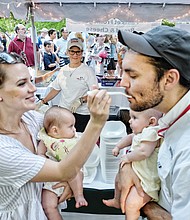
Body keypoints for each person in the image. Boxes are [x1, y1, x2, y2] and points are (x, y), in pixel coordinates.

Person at [0, 51, 111, 220]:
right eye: (22, 84)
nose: (33, 88)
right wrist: (96, 122)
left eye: (30, 80)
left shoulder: (31, 119)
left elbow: (66, 140)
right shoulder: (3, 149)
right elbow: (63, 170)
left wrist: (67, 181)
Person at [117, 25, 190, 219]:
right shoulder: (168, 119)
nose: (122, 83)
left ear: (169, 79)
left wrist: (145, 204)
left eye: (133, 75)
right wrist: (127, 168)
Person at [103, 108, 162, 220]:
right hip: (136, 171)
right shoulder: (141, 132)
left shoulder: (152, 133)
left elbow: (144, 152)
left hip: (145, 181)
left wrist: (128, 158)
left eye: (134, 118)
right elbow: (129, 138)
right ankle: (116, 200)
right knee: (117, 180)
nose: (130, 121)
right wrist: (118, 146)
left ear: (151, 122)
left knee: (131, 204)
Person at [38, 106, 88, 219]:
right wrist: (46, 162)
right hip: (51, 179)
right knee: (48, 206)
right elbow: (40, 155)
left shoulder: (73, 139)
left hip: (71, 171)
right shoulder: (45, 140)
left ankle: (79, 195)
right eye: (71, 126)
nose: (74, 129)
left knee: (76, 173)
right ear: (55, 130)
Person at [41, 38, 98, 132]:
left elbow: (95, 92)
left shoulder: (88, 71)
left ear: (82, 53)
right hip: (64, 112)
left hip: (82, 114)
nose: (75, 55)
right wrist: (43, 101)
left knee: (79, 139)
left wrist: (81, 100)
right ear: (67, 52)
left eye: (78, 52)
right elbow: (56, 89)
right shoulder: (63, 70)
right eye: (72, 52)